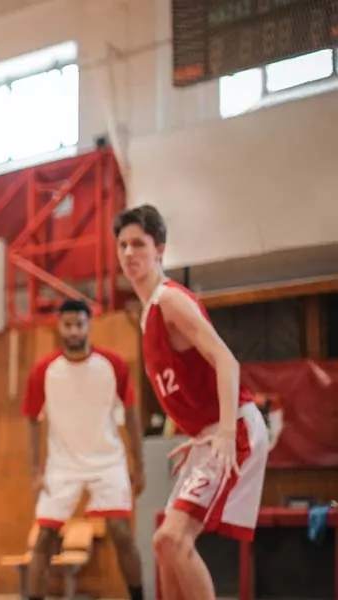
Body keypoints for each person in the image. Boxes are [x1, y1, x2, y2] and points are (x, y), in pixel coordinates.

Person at [114, 204, 269, 600]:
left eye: (139, 244)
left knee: (173, 540)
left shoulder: (170, 301)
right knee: (165, 547)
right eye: (122, 245)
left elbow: (226, 361)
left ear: (160, 249)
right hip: (209, 431)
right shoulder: (148, 313)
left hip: (234, 425)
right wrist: (199, 429)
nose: (129, 253)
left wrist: (219, 430)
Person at [22, 299, 146, 600]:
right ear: (59, 327)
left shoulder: (112, 365)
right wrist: (36, 470)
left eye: (80, 323)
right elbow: (32, 419)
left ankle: (139, 596)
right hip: (62, 465)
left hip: (107, 460)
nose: (74, 330)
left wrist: (138, 466)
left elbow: (130, 415)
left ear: (89, 325)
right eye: (68, 324)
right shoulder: (44, 371)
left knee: (121, 532)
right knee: (44, 538)